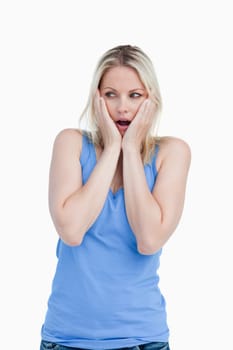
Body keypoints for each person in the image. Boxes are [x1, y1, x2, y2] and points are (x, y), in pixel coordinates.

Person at [40, 44, 191, 350]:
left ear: (151, 99)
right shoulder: (70, 144)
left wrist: (131, 150)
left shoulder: (171, 153)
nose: (123, 107)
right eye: (111, 94)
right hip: (67, 339)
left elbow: (149, 239)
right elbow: (71, 231)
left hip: (142, 339)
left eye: (135, 95)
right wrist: (111, 149)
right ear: (97, 98)